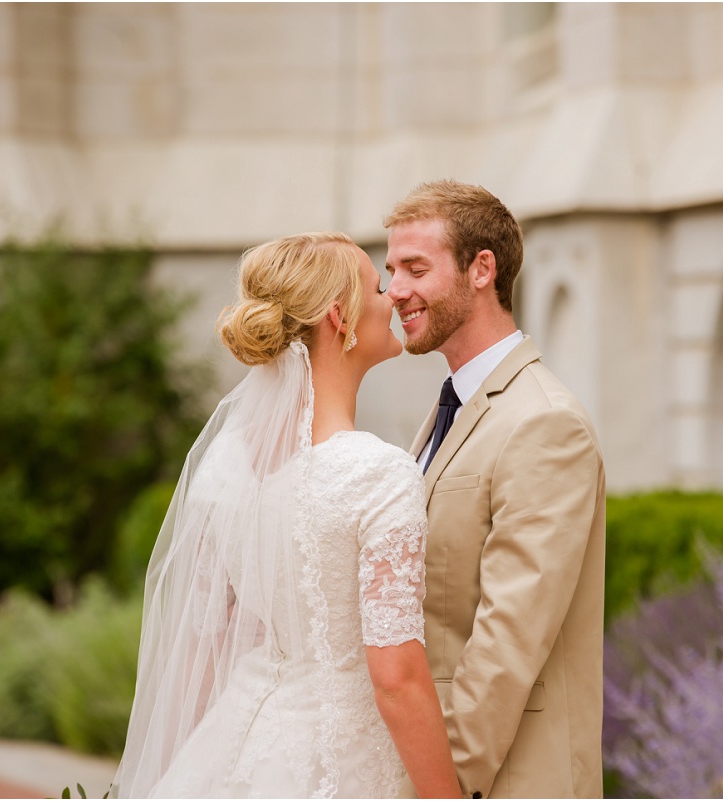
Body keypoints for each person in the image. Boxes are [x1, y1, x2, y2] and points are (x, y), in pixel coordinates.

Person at [112, 232, 461, 799]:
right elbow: (396, 679)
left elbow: (204, 647)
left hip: (235, 740)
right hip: (338, 763)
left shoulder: (223, 470)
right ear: (339, 316)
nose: (394, 295)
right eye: (378, 285)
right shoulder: (376, 474)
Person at [384, 181, 607, 799]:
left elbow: (509, 636)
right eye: (390, 270)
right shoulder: (454, 405)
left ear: (483, 269)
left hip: (501, 781)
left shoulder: (543, 422)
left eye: (415, 268)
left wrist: (442, 784)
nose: (394, 289)